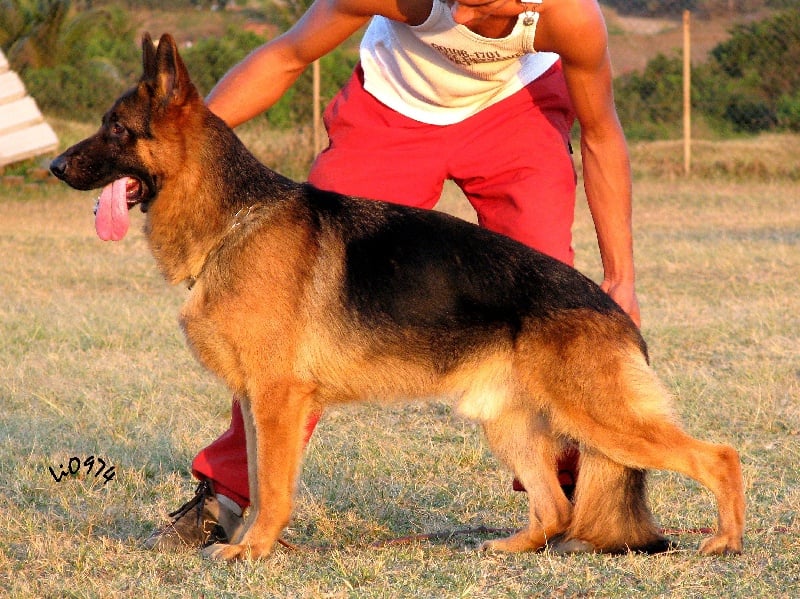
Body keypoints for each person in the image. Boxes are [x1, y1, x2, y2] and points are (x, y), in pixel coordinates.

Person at [145, 0, 640, 550]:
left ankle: (572, 499)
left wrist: (621, 277)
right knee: (280, 309)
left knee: (550, 303)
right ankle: (230, 495)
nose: (465, 19)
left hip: (514, 109)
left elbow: (601, 134)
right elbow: (285, 56)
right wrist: (181, 147)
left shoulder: (569, 16)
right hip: (391, 109)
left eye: (483, 5)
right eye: (457, 2)